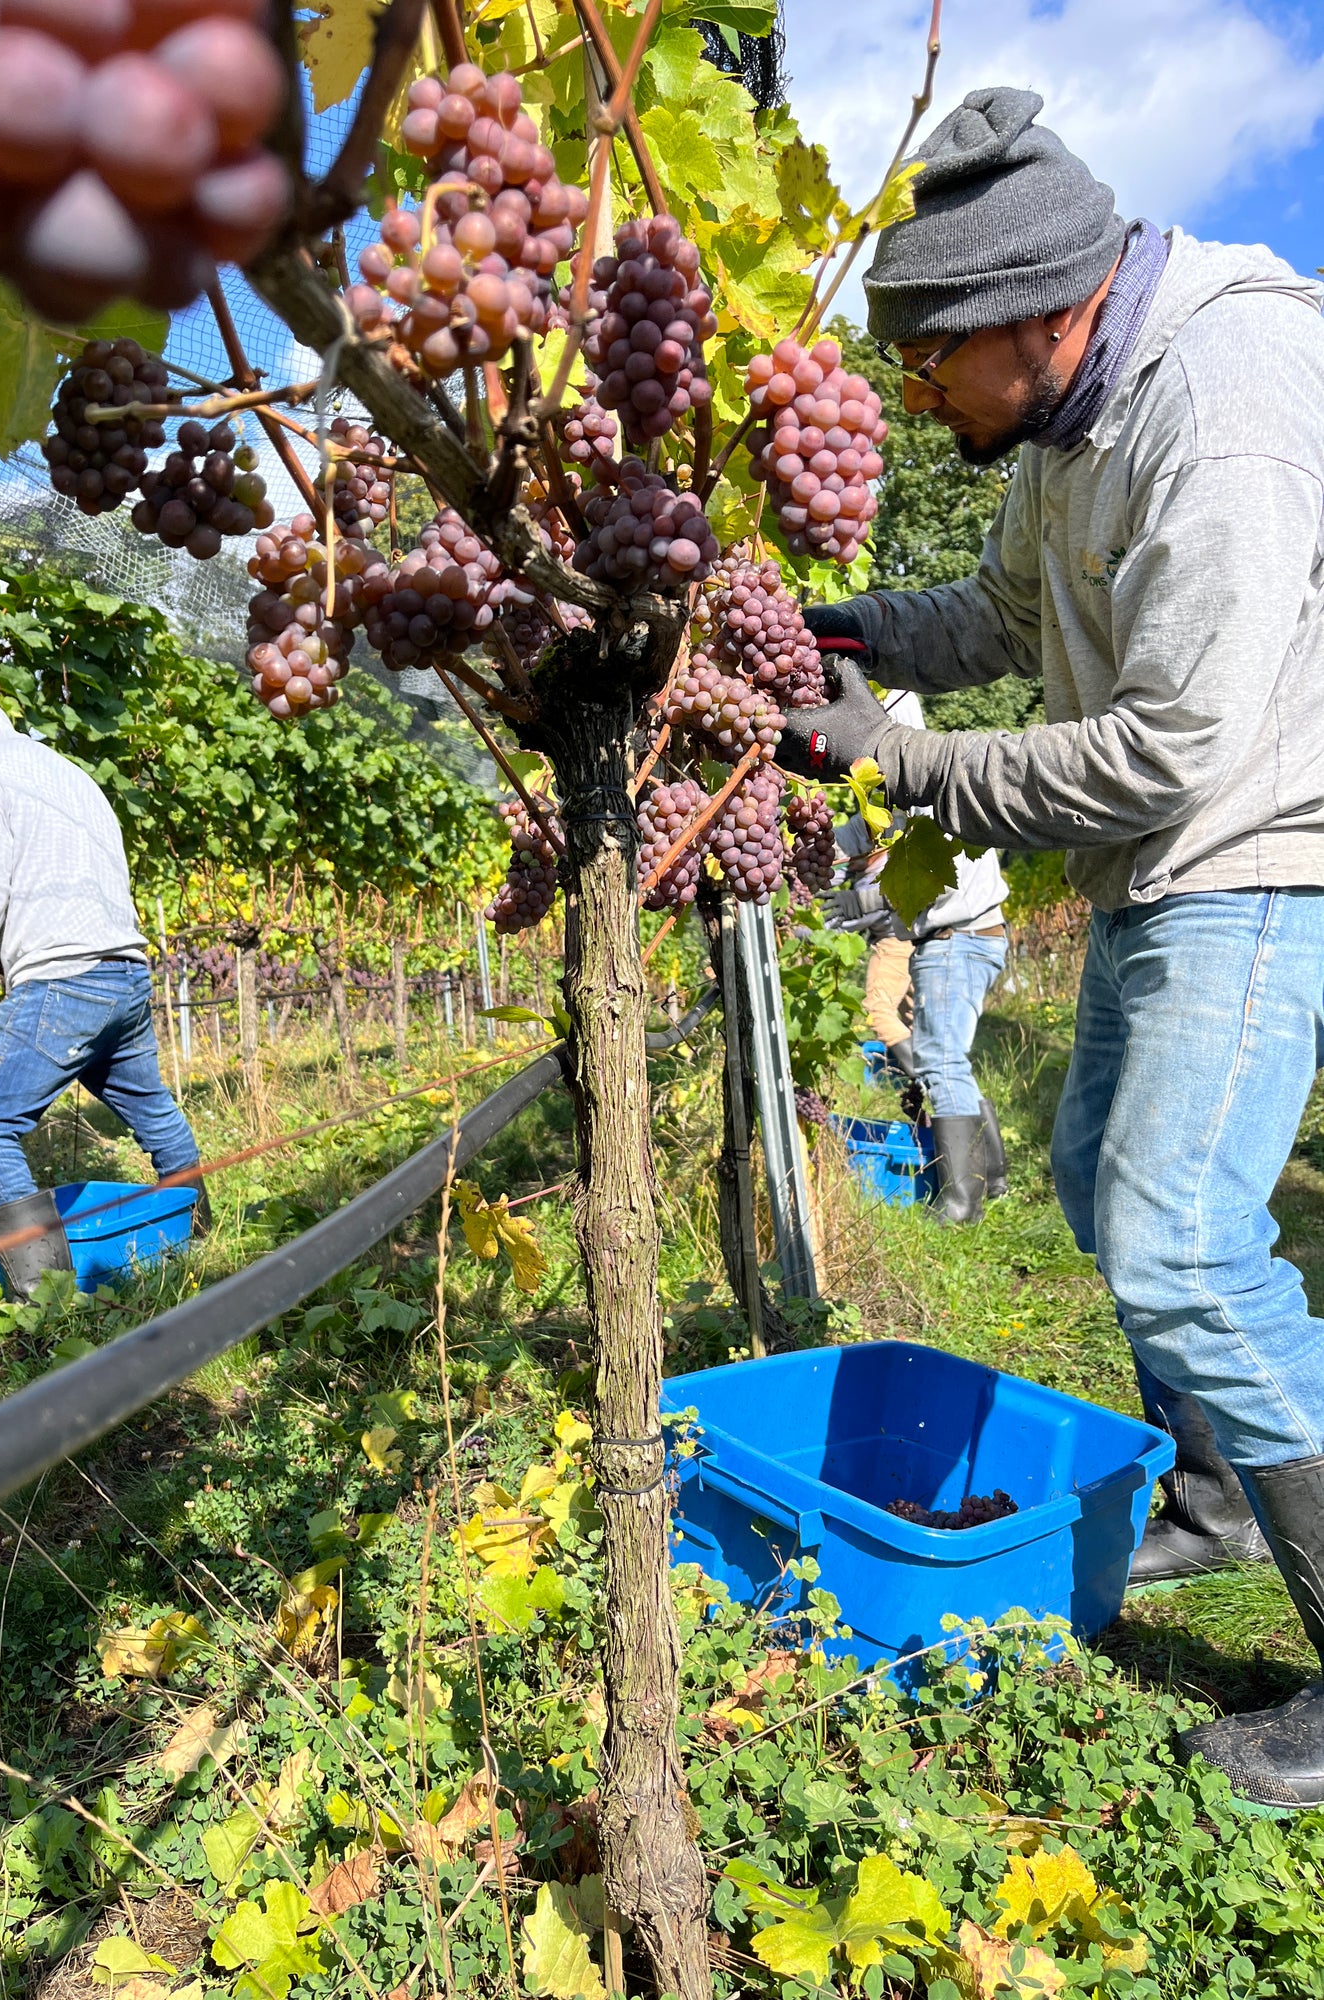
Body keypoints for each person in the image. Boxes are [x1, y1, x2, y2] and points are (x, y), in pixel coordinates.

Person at [776, 86, 1324, 1807]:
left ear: (1034, 315)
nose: (918, 394)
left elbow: (1174, 740)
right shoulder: (1065, 423)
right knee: (1100, 1180)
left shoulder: (1221, 409)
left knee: (1177, 1236)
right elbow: (1001, 617)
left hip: (1258, 848)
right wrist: (827, 634)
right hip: (1161, 863)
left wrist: (903, 761)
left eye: (932, 360)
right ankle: (1226, 1497)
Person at [0, 704, 207, 1297]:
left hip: (64, 980)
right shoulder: (67, 774)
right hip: (124, 973)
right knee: (148, 1104)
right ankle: (195, 1230)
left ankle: (46, 1298)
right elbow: (49, 890)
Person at [824, 688, 1010, 1221]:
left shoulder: (934, 787)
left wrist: (864, 896)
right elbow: (854, 836)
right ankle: (989, 1177)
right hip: (954, 940)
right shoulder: (895, 796)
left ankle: (960, 1201)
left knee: (940, 1059)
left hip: (961, 938)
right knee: (946, 1056)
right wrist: (800, 844)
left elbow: (938, 878)